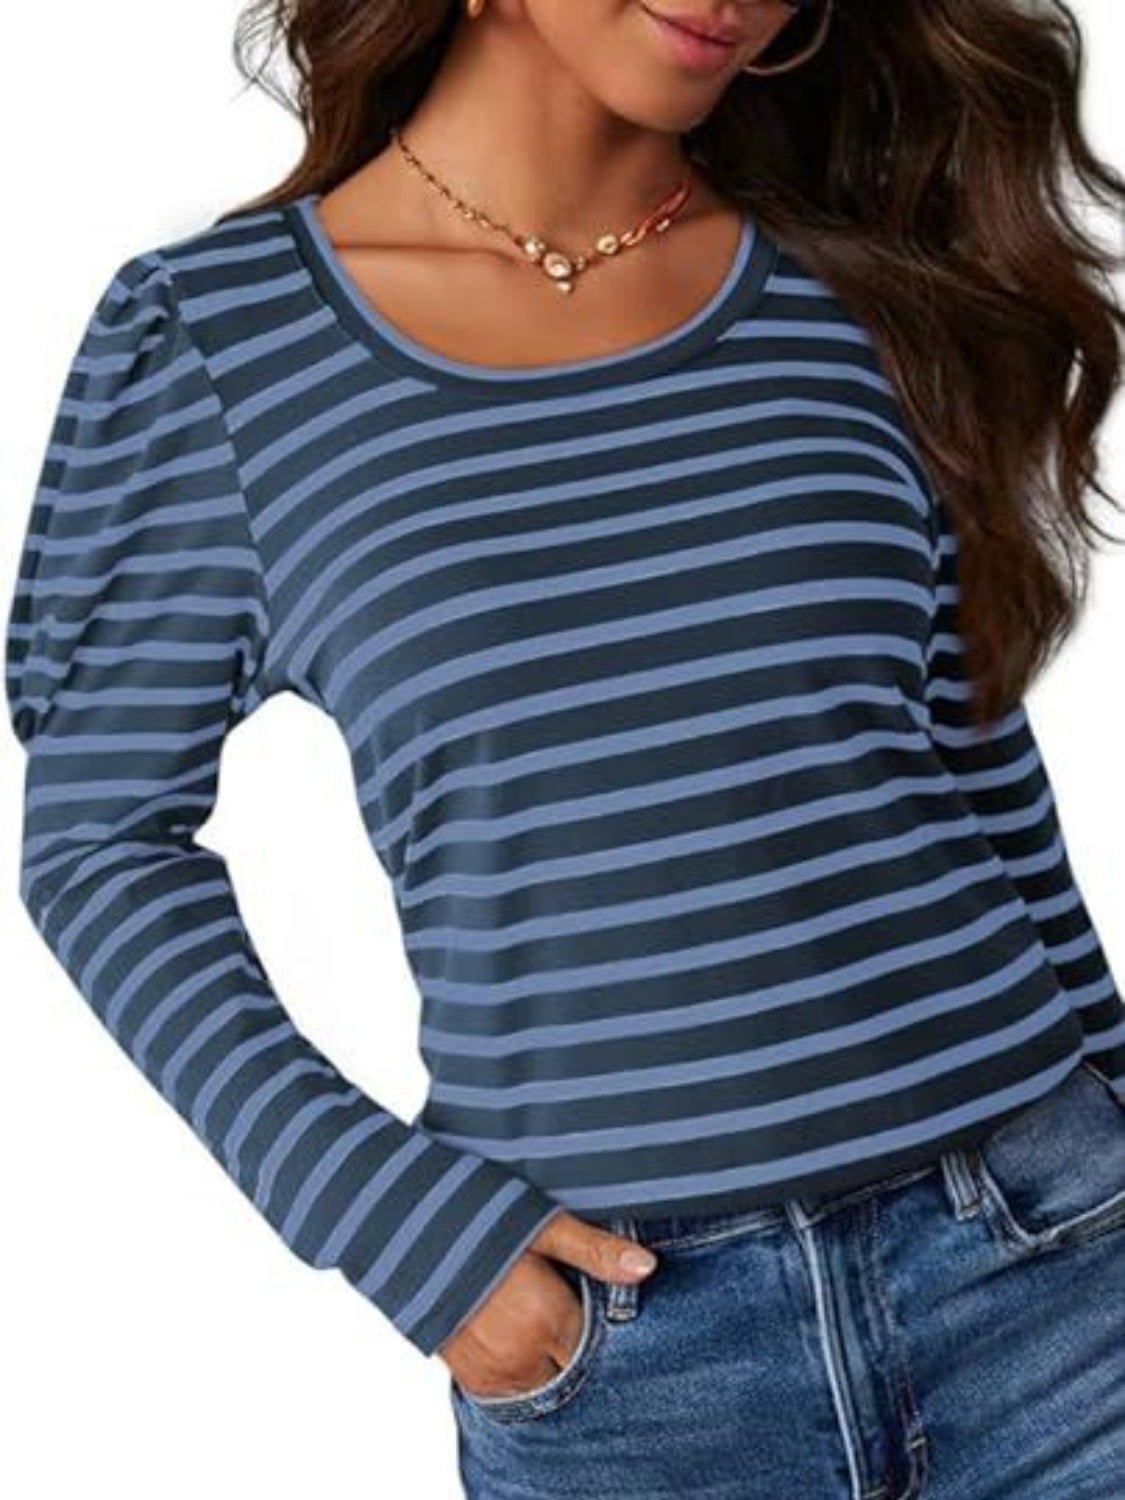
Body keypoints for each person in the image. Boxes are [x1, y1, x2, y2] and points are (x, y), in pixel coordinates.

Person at [7, 1, 1125, 1495]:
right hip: (632, 1366)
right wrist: (394, 1224)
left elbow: (970, 757)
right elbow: (97, 842)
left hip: (1056, 1274)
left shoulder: (854, 276)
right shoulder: (217, 342)